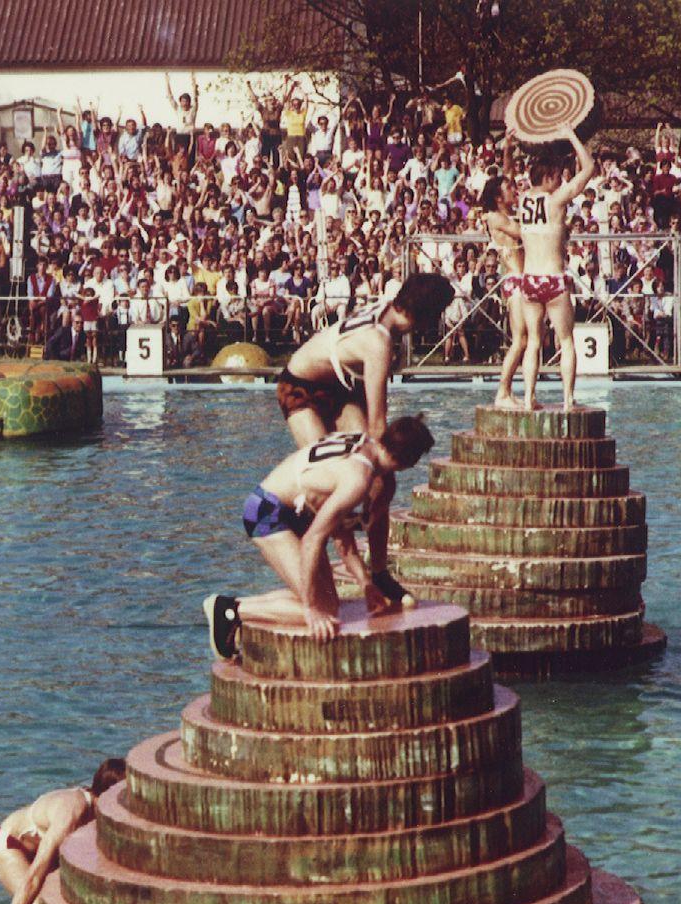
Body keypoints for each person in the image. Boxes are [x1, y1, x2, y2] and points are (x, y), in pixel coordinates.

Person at [203, 416, 436, 656]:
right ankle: (231, 611)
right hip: (268, 513)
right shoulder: (358, 479)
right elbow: (312, 540)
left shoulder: (361, 442)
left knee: (330, 605)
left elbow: (341, 536)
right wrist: (311, 609)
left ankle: (235, 608)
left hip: (294, 514)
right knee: (318, 611)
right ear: (409, 461)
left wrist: (365, 583)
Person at [276, 272, 452, 446]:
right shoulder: (379, 342)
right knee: (323, 459)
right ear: (429, 314)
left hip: (337, 386)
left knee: (362, 449)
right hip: (297, 386)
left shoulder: (385, 308)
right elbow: (377, 425)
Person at [0, 758, 126, 904]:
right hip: (12, 845)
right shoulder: (72, 813)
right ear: (109, 796)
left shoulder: (101, 817)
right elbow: (34, 878)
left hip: (46, 852)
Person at [516, 127, 595, 410]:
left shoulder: (523, 200)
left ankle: (528, 397)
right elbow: (589, 168)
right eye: (559, 175)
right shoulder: (556, 199)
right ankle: (568, 399)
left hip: (529, 280)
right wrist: (572, 135)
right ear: (549, 177)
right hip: (553, 278)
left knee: (534, 341)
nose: (562, 179)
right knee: (566, 340)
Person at [482, 134, 531, 409]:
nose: (514, 189)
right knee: (520, 339)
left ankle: (520, 392)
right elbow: (523, 232)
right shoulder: (495, 217)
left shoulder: (505, 210)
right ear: (498, 197)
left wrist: (508, 149)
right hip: (515, 280)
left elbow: (508, 175)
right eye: (509, 190)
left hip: (523, 279)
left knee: (529, 339)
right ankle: (502, 392)